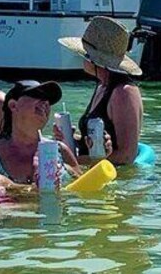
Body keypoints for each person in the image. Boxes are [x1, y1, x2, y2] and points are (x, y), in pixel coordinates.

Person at [58, 16, 144, 165]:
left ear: (95, 60)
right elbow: (97, 144)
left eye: (85, 54)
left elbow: (126, 156)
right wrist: (72, 140)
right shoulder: (102, 86)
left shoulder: (123, 93)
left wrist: (75, 162)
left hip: (114, 178)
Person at [0, 80, 81, 185]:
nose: (45, 102)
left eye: (48, 100)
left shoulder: (60, 151)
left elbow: (82, 190)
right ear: (13, 105)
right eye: (37, 95)